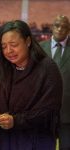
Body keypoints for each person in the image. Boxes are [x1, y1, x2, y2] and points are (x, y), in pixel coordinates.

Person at [0, 20, 63, 150]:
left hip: (35, 141)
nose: (8, 51)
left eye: (13, 44)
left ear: (28, 42)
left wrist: (16, 121)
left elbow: (50, 110)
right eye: (4, 46)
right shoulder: (0, 67)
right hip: (3, 141)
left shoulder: (47, 68)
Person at [40, 15, 70, 150]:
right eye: (57, 25)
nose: (60, 29)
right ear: (52, 27)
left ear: (69, 30)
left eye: (64, 27)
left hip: (67, 114)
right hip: (42, 113)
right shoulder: (39, 49)